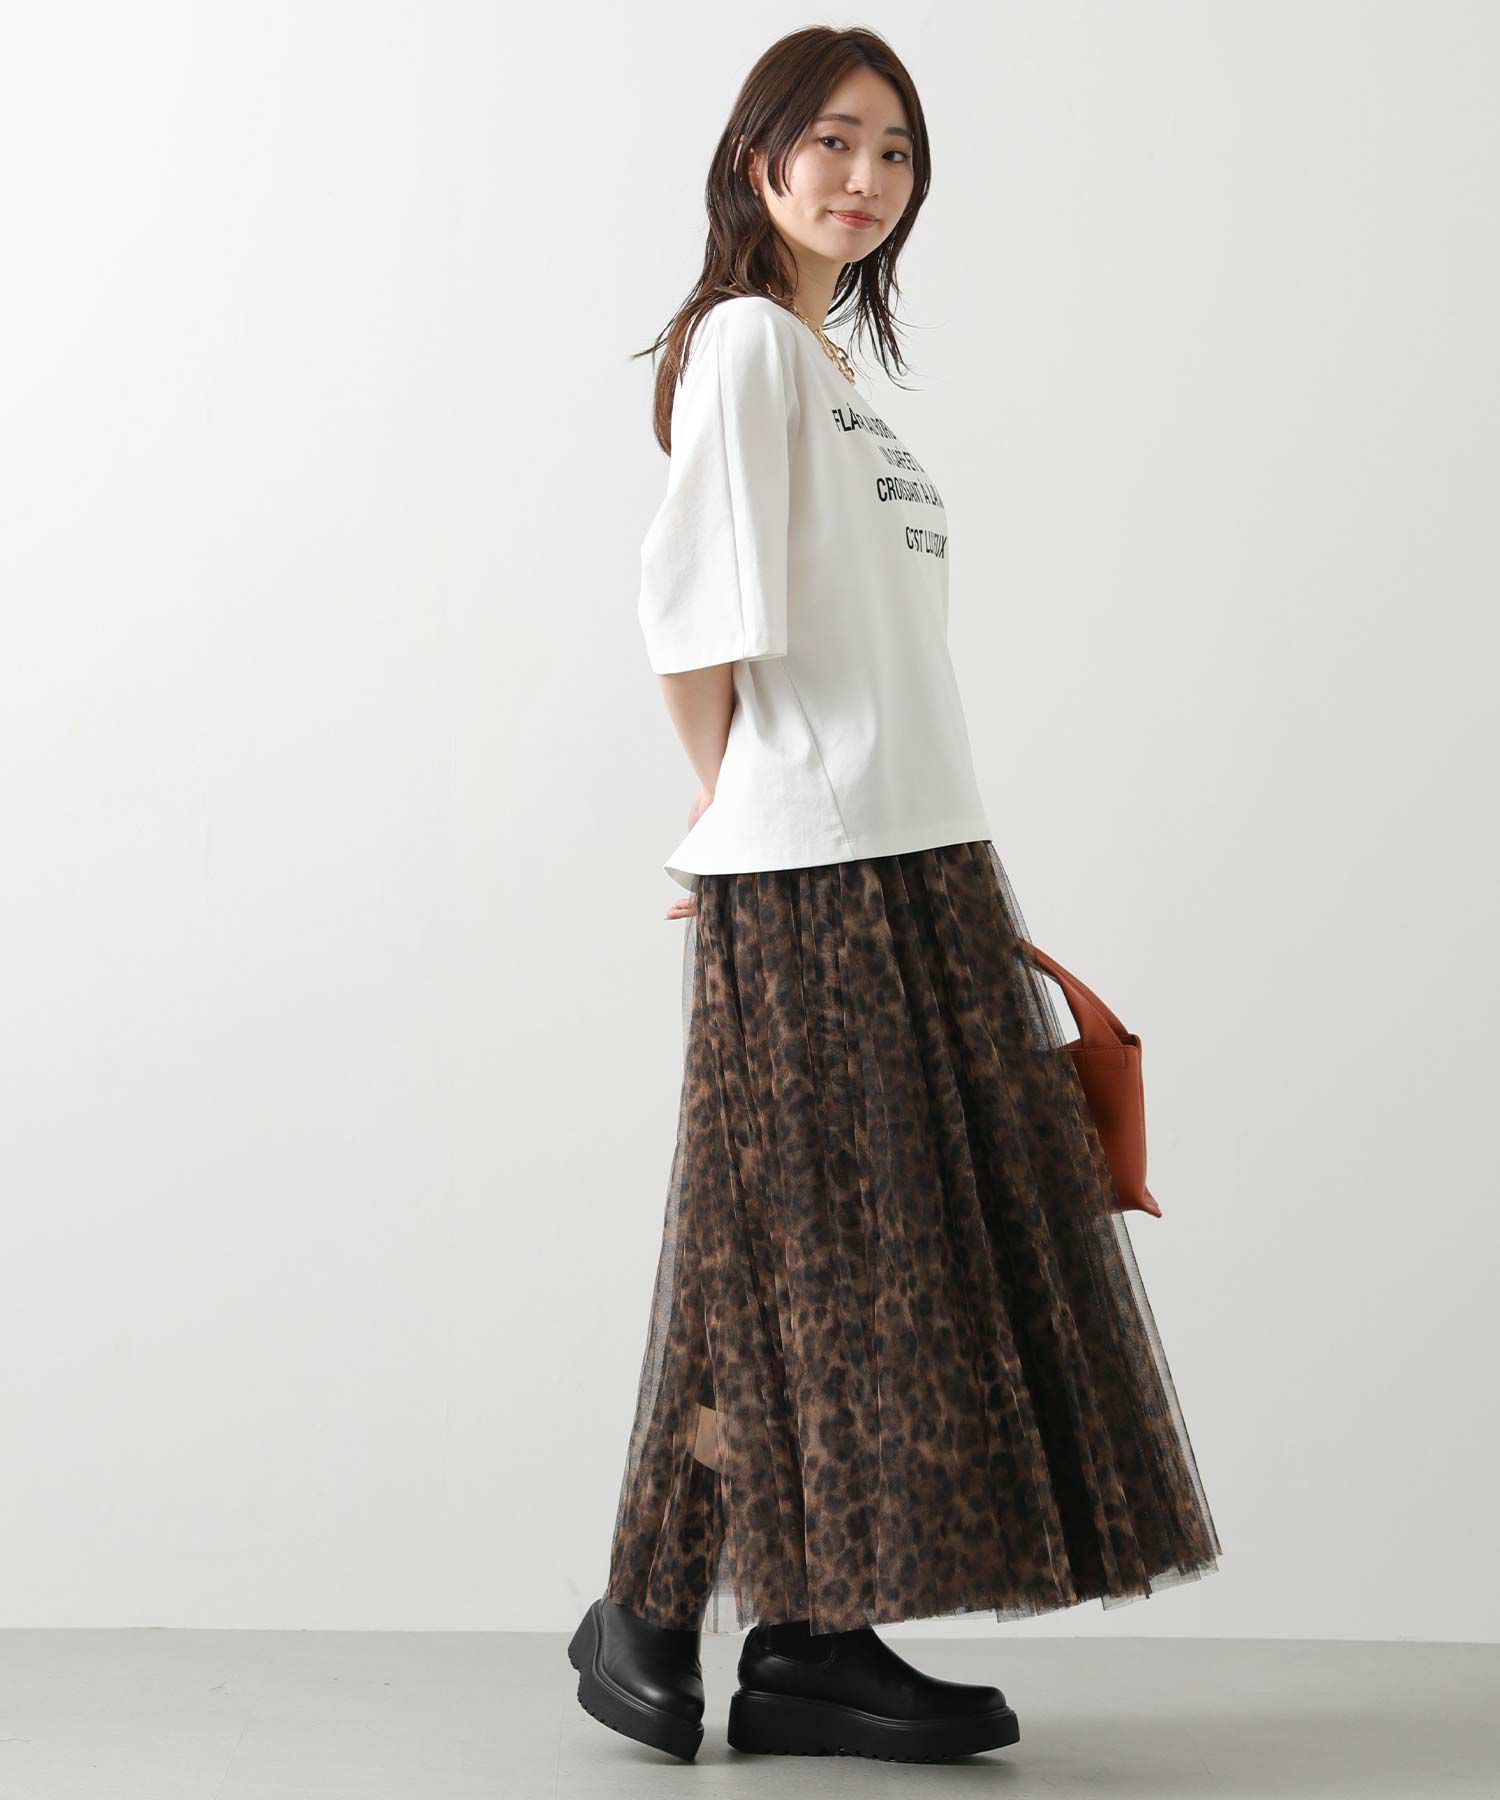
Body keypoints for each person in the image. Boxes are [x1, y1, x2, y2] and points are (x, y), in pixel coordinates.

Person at [567, 25, 1222, 1766]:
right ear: (759, 158)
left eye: (897, 152)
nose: (867, 179)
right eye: (835, 142)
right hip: (818, 859)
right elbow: (690, 616)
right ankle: (768, 1628)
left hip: (915, 852)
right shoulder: (746, 346)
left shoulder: (830, 371)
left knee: (789, 1248)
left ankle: (729, 1624)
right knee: (846, 1256)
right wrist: (729, 805)